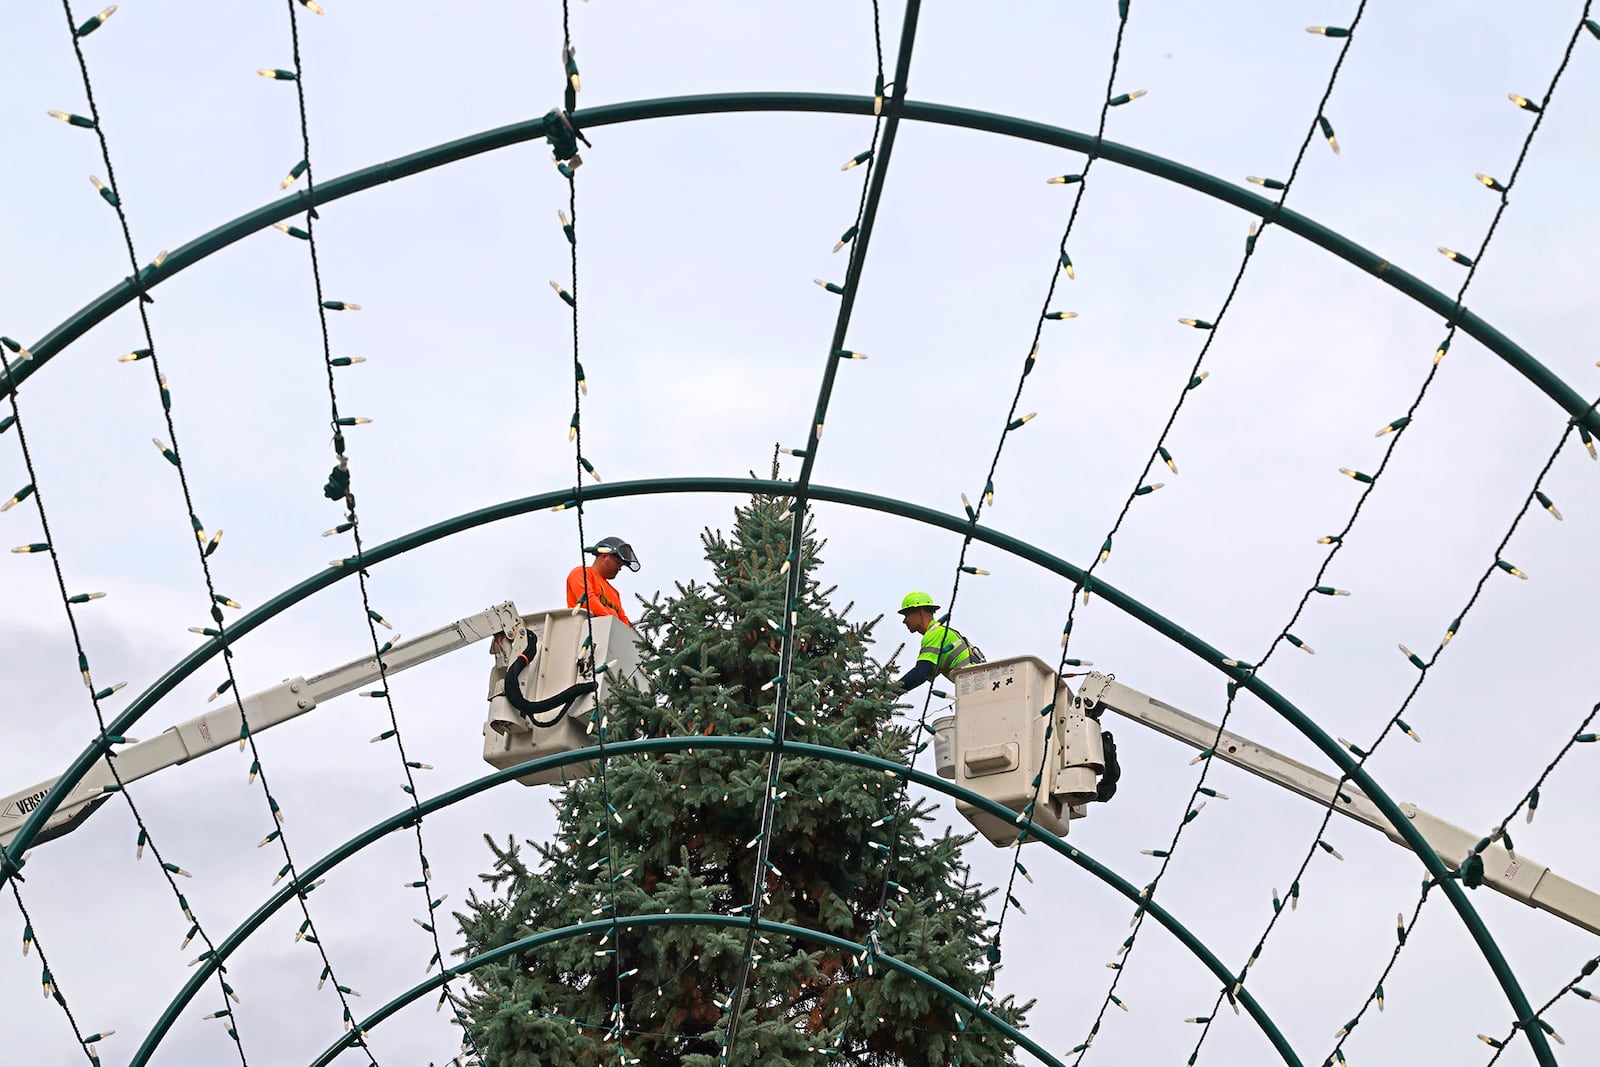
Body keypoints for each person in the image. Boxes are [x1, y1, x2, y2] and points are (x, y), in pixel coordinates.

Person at [895, 591, 983, 692]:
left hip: (974, 684)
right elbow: (925, 673)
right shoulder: (940, 632)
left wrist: (889, 691)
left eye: (907, 615)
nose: (904, 620)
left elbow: (920, 673)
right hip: (975, 683)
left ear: (920, 612)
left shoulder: (934, 633)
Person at [566, 536, 640, 629]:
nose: (619, 568)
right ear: (604, 556)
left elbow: (623, 618)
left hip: (608, 636)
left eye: (621, 565)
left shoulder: (614, 593)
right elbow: (588, 601)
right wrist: (612, 625)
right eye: (618, 563)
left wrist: (633, 635)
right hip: (585, 634)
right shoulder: (581, 573)